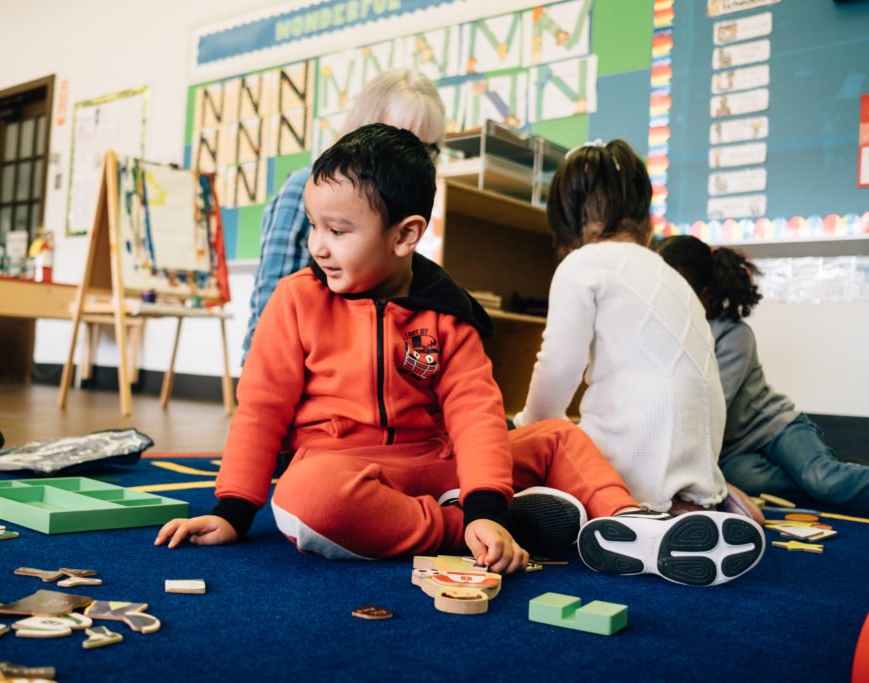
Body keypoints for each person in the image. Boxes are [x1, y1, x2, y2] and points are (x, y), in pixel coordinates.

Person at [156, 125, 764, 587]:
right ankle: (473, 527)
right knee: (302, 498)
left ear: (405, 234)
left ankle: (628, 525)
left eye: (338, 231)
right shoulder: (296, 302)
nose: (318, 246)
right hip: (346, 470)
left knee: (559, 435)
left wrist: (484, 499)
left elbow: (475, 412)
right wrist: (234, 509)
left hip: (439, 463)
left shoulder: (447, 310)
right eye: (315, 227)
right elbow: (260, 409)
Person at [513, 140, 737, 516]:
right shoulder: (672, 277)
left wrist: (525, 432)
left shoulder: (583, 264)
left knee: (505, 457)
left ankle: (617, 514)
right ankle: (701, 502)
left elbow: (557, 369)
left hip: (630, 475)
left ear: (566, 221)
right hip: (698, 468)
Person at [242, 68, 445, 361]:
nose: (407, 159)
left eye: (424, 149)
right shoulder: (303, 188)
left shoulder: (408, 211)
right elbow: (268, 308)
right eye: (393, 137)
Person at [657, 235, 869, 513]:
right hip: (734, 452)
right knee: (755, 485)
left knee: (821, 479)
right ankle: (830, 480)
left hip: (775, 427)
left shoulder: (733, 335)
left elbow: (709, 405)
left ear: (703, 295)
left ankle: (834, 474)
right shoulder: (668, 335)